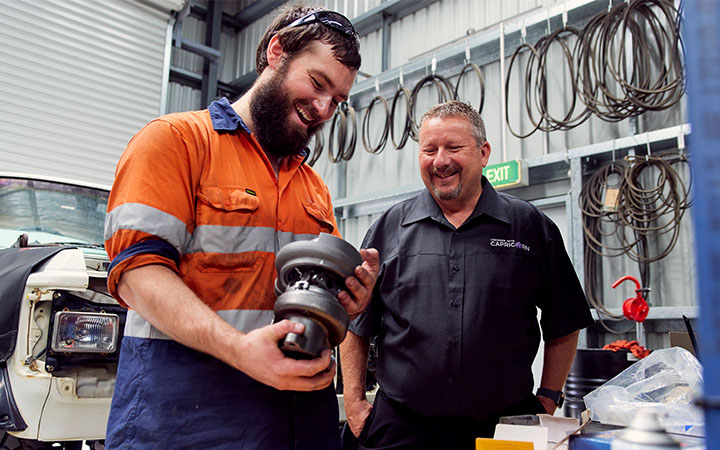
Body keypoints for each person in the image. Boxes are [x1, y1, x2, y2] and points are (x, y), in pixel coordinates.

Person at [103, 5, 379, 449]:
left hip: (298, 422)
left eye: (338, 100)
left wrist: (349, 300)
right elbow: (137, 275)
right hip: (188, 419)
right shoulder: (175, 142)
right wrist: (239, 350)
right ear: (276, 53)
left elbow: (307, 300)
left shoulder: (314, 189)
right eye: (317, 83)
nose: (324, 109)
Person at [340, 101, 594, 449]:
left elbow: (564, 322)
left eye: (453, 148)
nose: (440, 160)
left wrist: (548, 397)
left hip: (503, 428)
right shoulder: (388, 229)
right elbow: (356, 325)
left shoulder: (530, 227)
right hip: (400, 429)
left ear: (483, 152)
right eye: (429, 149)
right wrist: (354, 404)